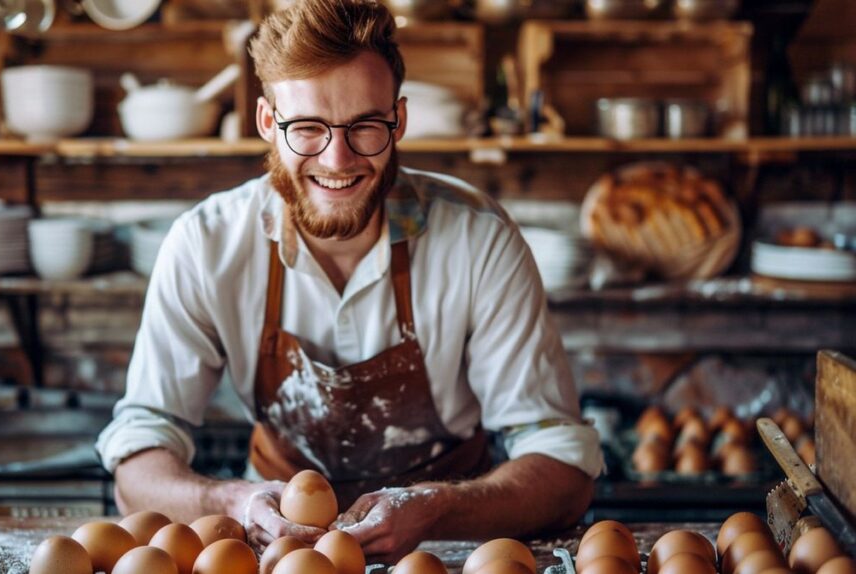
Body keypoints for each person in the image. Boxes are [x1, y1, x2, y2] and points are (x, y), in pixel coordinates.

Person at [96, 0, 602, 564]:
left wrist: (435, 507)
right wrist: (235, 503)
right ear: (268, 123)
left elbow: (563, 468)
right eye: (306, 128)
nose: (337, 159)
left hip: (448, 549)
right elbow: (139, 457)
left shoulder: (477, 240)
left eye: (365, 126)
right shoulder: (207, 244)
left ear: (399, 121)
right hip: (271, 550)